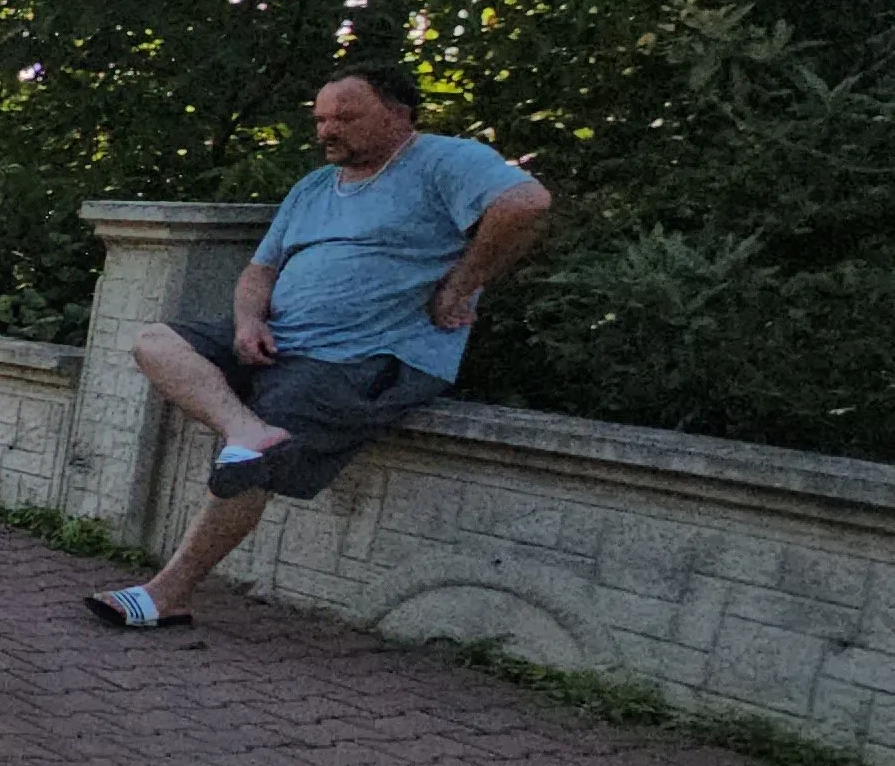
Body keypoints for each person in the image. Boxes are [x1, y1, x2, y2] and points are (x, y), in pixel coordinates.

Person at [87, 62, 554, 629]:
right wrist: (246, 321)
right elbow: (259, 270)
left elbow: (527, 203)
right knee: (154, 340)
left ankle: (170, 592)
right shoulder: (312, 188)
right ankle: (243, 428)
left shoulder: (443, 160)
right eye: (321, 119)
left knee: (254, 461)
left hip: (365, 357)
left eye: (346, 117)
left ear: (398, 114)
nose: (328, 130)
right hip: (282, 340)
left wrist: (463, 284)